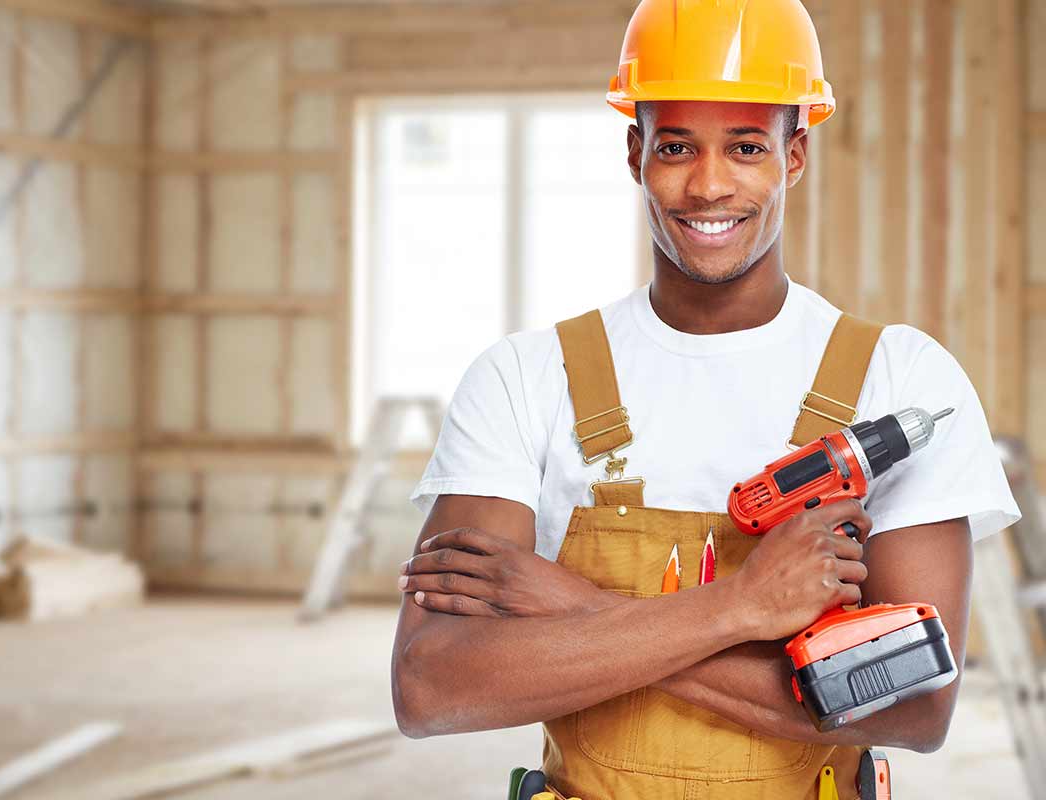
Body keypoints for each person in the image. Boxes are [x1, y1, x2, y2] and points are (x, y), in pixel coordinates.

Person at [389, 0, 1022, 797]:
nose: (709, 184)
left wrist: (572, 606)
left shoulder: (899, 377)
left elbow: (915, 708)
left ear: (795, 155)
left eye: (747, 146)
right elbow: (432, 687)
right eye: (677, 146)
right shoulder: (524, 377)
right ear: (635, 152)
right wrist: (738, 609)